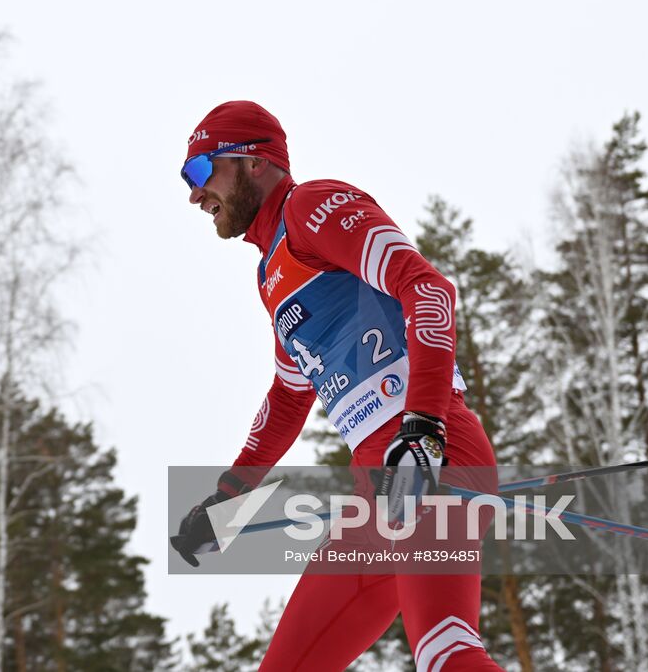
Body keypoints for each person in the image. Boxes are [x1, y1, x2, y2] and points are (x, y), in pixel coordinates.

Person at [172, 101, 504, 672]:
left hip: (429, 456)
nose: (195, 195)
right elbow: (288, 397)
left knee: (446, 657)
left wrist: (422, 429)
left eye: (202, 171)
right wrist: (228, 500)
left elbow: (427, 291)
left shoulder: (312, 206)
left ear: (253, 162)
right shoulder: (272, 273)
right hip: (378, 488)